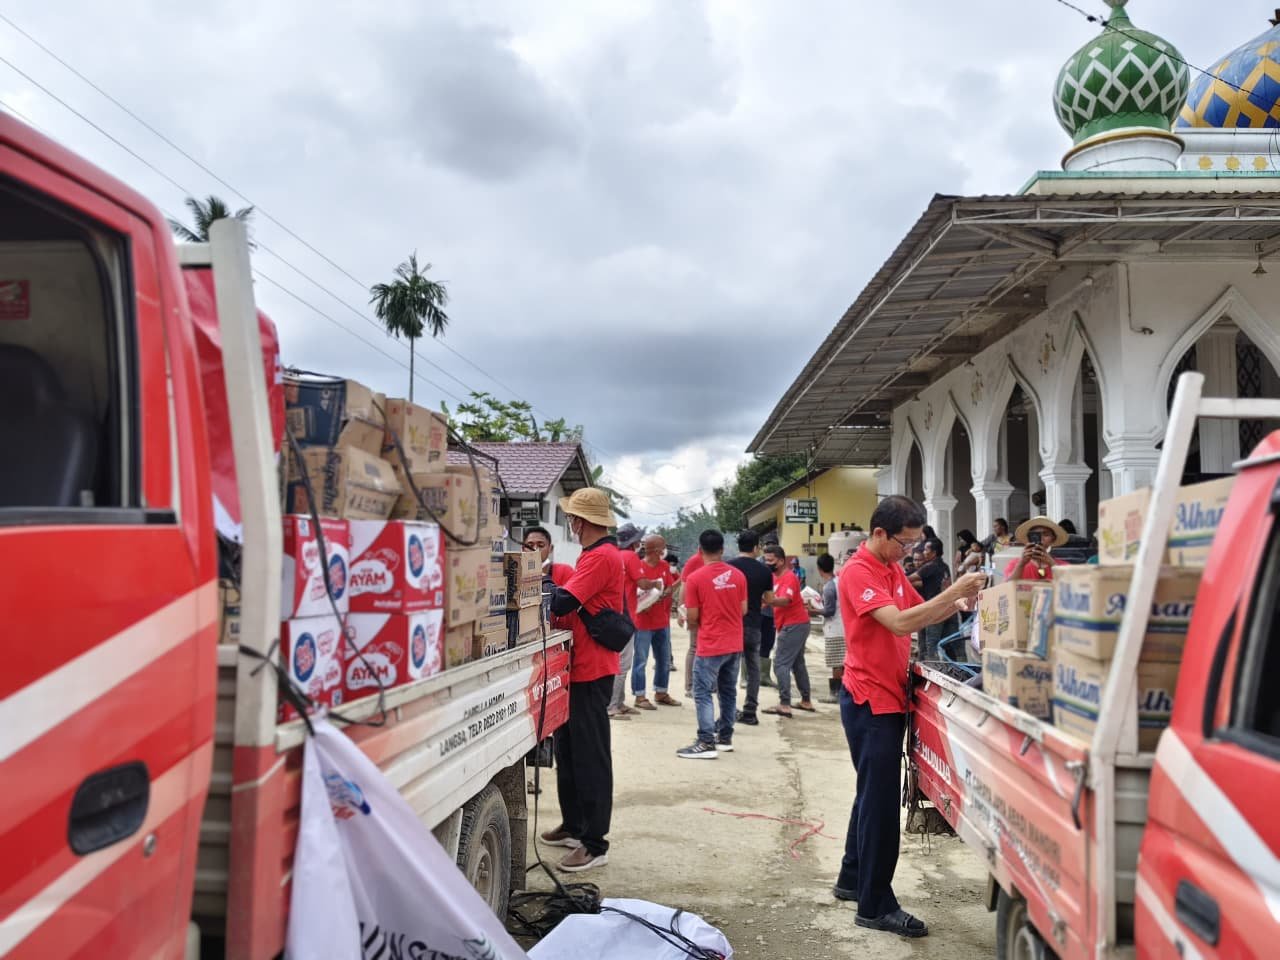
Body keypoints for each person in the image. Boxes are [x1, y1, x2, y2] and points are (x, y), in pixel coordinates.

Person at [833, 495, 986, 937]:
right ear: (879, 534)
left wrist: (958, 603)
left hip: (887, 694)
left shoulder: (891, 567)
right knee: (880, 803)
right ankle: (875, 904)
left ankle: (851, 878)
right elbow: (899, 623)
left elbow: (921, 613)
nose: (910, 551)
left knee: (870, 792)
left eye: (916, 544)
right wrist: (956, 590)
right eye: (905, 543)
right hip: (870, 700)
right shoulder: (859, 571)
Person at [539, 488, 626, 873]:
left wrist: (538, 586)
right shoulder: (594, 555)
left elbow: (563, 604)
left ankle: (594, 842)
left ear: (581, 522)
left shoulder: (600, 558)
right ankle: (575, 825)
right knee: (569, 750)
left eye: (573, 519)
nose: (571, 525)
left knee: (590, 755)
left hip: (592, 669)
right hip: (579, 667)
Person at [677, 530, 748, 759]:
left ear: (700, 550)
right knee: (728, 691)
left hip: (710, 644)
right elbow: (743, 610)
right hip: (734, 643)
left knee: (702, 692)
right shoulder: (738, 575)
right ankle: (724, 737)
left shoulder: (696, 578)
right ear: (722, 550)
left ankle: (706, 741)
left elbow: (693, 616)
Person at [522, 525, 572, 796]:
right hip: (525, 657)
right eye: (529, 545)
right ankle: (526, 776)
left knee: (543, 719)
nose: (535, 549)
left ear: (550, 548)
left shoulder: (562, 573)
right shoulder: (515, 573)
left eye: (540, 544)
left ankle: (534, 775)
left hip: (550, 655)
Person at [761, 543, 814, 718]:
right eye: (766, 560)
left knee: (780, 663)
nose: (768, 563)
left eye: (771, 560)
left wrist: (768, 601)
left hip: (794, 624)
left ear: (782, 561)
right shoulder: (773, 577)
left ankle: (784, 704)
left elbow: (785, 600)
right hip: (792, 623)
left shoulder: (789, 577)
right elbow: (769, 599)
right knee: (798, 663)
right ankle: (806, 700)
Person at [729, 529, 775, 726]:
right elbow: (769, 599)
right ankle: (750, 711)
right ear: (756, 547)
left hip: (732, 625)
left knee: (730, 668)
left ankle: (729, 710)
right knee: (753, 668)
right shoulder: (764, 571)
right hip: (754, 625)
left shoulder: (728, 567)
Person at [632, 534, 681, 710]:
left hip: (662, 621)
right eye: (662, 548)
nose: (664, 551)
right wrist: (645, 601)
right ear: (655, 550)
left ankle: (661, 691)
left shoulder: (664, 566)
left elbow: (669, 585)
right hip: (643, 622)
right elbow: (633, 593)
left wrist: (668, 592)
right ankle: (639, 695)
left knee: (663, 659)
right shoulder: (639, 567)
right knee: (641, 660)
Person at [608, 523, 650, 720]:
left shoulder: (615, 555)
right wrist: (656, 583)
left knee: (620, 661)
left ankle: (620, 702)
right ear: (634, 542)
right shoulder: (631, 557)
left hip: (615, 615)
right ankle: (613, 706)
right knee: (622, 664)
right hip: (627, 616)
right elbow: (642, 583)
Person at [807, 553, 843, 704]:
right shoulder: (840, 582)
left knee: (836, 662)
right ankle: (843, 693)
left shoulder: (829, 587)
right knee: (843, 662)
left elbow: (829, 611)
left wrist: (812, 611)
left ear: (819, 569)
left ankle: (835, 694)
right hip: (844, 627)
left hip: (834, 629)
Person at [909, 537, 952, 660]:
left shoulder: (931, 566)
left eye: (927, 549)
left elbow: (910, 579)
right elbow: (927, 584)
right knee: (941, 643)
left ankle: (931, 668)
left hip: (932, 609)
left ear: (934, 552)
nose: (924, 552)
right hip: (943, 608)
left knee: (930, 643)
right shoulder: (944, 566)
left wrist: (893, 578)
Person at [1004, 516, 1069, 582]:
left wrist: (1052, 563)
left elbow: (1071, 586)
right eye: (1035, 535)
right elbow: (1007, 587)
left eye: (1046, 534)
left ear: (1053, 539)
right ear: (1029, 538)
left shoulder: (1063, 566)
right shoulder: (1015, 564)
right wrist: (1021, 564)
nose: (1041, 538)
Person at [678, 549, 706, 697]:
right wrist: (682, 611)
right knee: (694, 647)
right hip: (695, 610)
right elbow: (684, 585)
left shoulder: (710, 561)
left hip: (708, 612)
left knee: (704, 648)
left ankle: (704, 683)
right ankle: (690, 686)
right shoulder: (695, 561)